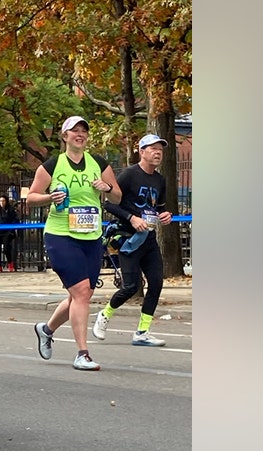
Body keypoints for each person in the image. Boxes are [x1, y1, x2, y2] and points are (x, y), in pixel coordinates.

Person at [27, 116, 121, 371]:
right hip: (61, 235)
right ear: (65, 136)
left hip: (91, 236)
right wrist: (50, 197)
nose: (80, 134)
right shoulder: (52, 165)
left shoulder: (98, 163)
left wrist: (107, 187)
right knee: (80, 292)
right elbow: (31, 198)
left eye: (83, 131)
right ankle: (82, 354)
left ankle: (46, 330)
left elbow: (117, 196)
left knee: (82, 294)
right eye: (74, 131)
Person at [92, 134, 174, 346]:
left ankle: (142, 332)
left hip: (149, 238)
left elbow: (159, 208)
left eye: (160, 149)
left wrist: (165, 216)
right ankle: (105, 314)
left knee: (156, 283)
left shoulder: (160, 180)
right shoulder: (129, 174)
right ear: (142, 151)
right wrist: (131, 218)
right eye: (153, 149)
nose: (158, 153)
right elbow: (109, 203)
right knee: (131, 286)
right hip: (128, 239)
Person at [0, 194, 19, 273]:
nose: (2, 202)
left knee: (6, 249)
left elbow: (15, 219)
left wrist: (12, 227)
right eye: (1, 201)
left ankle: (10, 263)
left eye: (3, 201)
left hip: (7, 232)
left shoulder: (10, 210)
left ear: (6, 201)